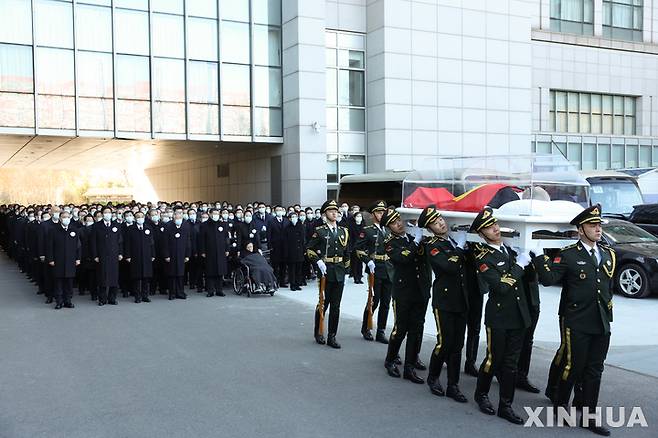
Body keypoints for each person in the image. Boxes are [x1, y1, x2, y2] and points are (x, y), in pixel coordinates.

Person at [532, 204, 615, 436]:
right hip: (576, 320)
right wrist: (539, 257)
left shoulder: (609, 254)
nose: (598, 229)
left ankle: (589, 418)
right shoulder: (568, 254)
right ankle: (560, 405)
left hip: (601, 321)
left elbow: (607, 287)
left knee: (595, 369)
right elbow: (548, 279)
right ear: (580, 230)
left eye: (599, 225)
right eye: (592, 225)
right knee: (574, 366)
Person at [470, 206, 531, 425]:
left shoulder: (511, 250)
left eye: (495, 224)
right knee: (494, 359)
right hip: (499, 316)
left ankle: (506, 405)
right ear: (481, 234)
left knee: (511, 363)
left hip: (518, 315)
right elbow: (501, 286)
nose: (495, 229)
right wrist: (519, 266)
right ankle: (482, 393)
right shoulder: (483, 257)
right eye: (488, 227)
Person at [418, 206, 469, 403]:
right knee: (445, 342)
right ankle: (433, 376)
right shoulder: (432, 245)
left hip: (461, 299)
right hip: (445, 301)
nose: (440, 223)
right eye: (435, 222)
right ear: (430, 228)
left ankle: (453, 385)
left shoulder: (453, 241)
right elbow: (449, 266)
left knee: (457, 345)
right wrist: (458, 249)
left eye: (440, 218)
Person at [381, 207, 430, 384]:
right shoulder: (390, 243)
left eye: (399, 220)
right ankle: (390, 359)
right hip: (404, 292)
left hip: (421, 289)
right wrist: (416, 241)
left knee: (417, 328)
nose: (399, 224)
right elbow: (404, 258)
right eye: (394, 223)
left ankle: (410, 365)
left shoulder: (412, 236)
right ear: (389, 227)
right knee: (400, 328)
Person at [305, 200, 350, 349]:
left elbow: (347, 252)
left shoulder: (344, 231)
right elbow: (309, 249)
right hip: (326, 271)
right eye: (331, 211)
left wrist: (347, 269)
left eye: (336, 211)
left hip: (339, 270)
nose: (334, 213)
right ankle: (319, 331)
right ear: (325, 214)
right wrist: (318, 261)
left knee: (336, 306)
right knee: (323, 304)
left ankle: (332, 336)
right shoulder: (320, 231)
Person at [355, 200, 392, 344]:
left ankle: (381, 331)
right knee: (373, 300)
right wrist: (367, 261)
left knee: (386, 302)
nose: (381, 214)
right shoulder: (368, 230)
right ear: (373, 214)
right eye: (378, 212)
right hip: (375, 268)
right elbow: (358, 249)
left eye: (383, 212)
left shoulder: (389, 229)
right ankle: (366, 327)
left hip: (388, 268)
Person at [45, 211, 81, 309]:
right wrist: (51, 259)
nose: (66, 219)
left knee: (69, 282)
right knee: (58, 282)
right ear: (60, 219)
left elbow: (78, 246)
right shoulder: (53, 230)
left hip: (71, 260)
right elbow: (49, 247)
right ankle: (59, 301)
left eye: (68, 217)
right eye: (64, 217)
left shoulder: (74, 230)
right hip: (58, 260)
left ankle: (68, 301)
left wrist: (78, 258)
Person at [91, 207, 123, 306]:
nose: (107, 214)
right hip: (102, 255)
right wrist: (95, 255)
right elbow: (93, 242)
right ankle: (102, 299)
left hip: (114, 255)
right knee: (102, 277)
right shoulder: (96, 226)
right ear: (102, 214)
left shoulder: (116, 225)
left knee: (114, 276)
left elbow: (120, 241)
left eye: (109, 212)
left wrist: (120, 253)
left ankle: (112, 298)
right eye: (105, 212)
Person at [124, 212, 155, 303]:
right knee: (136, 277)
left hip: (147, 255)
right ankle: (137, 296)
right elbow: (127, 243)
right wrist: (128, 255)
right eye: (138, 217)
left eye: (142, 217)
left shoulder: (148, 228)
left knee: (146, 277)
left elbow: (152, 243)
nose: (140, 218)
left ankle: (145, 295)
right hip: (135, 255)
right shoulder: (130, 229)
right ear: (135, 218)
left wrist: (153, 254)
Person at [199, 209, 228, 297]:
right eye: (214, 213)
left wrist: (227, 249)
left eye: (217, 213)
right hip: (209, 251)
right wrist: (203, 251)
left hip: (221, 251)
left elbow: (226, 238)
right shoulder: (204, 225)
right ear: (210, 214)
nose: (216, 215)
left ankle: (219, 290)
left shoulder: (222, 224)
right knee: (210, 271)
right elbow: (201, 240)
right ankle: (210, 290)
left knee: (220, 271)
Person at [163, 211, 191, 300]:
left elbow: (188, 242)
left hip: (182, 254)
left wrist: (187, 255)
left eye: (180, 218)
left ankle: (180, 292)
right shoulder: (168, 227)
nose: (178, 220)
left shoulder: (185, 227)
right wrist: (166, 255)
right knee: (172, 274)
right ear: (173, 218)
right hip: (171, 255)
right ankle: (172, 293)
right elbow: (165, 243)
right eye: (176, 218)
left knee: (180, 274)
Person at [268, 205, 288, 287]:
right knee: (275, 266)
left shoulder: (286, 221)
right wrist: (270, 246)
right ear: (275, 211)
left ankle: (282, 282)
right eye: (277, 210)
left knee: (283, 266)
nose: (279, 211)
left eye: (281, 210)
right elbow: (269, 234)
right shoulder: (271, 221)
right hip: (275, 247)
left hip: (285, 247)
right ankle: (275, 282)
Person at [285, 211, 305, 290]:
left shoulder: (300, 226)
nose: (294, 219)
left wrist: (304, 250)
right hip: (291, 252)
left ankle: (297, 283)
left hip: (299, 251)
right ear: (289, 219)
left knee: (298, 269)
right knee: (292, 270)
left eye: (295, 217)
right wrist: (286, 253)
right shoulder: (287, 228)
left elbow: (303, 239)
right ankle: (292, 284)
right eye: (292, 217)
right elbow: (285, 242)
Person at [348, 211, 365, 284]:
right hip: (354, 247)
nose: (359, 218)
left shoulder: (364, 226)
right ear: (354, 218)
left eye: (360, 216)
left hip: (362, 247)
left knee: (360, 263)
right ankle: (355, 278)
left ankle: (360, 277)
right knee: (355, 263)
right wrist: (351, 247)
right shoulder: (351, 226)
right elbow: (350, 238)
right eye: (357, 216)